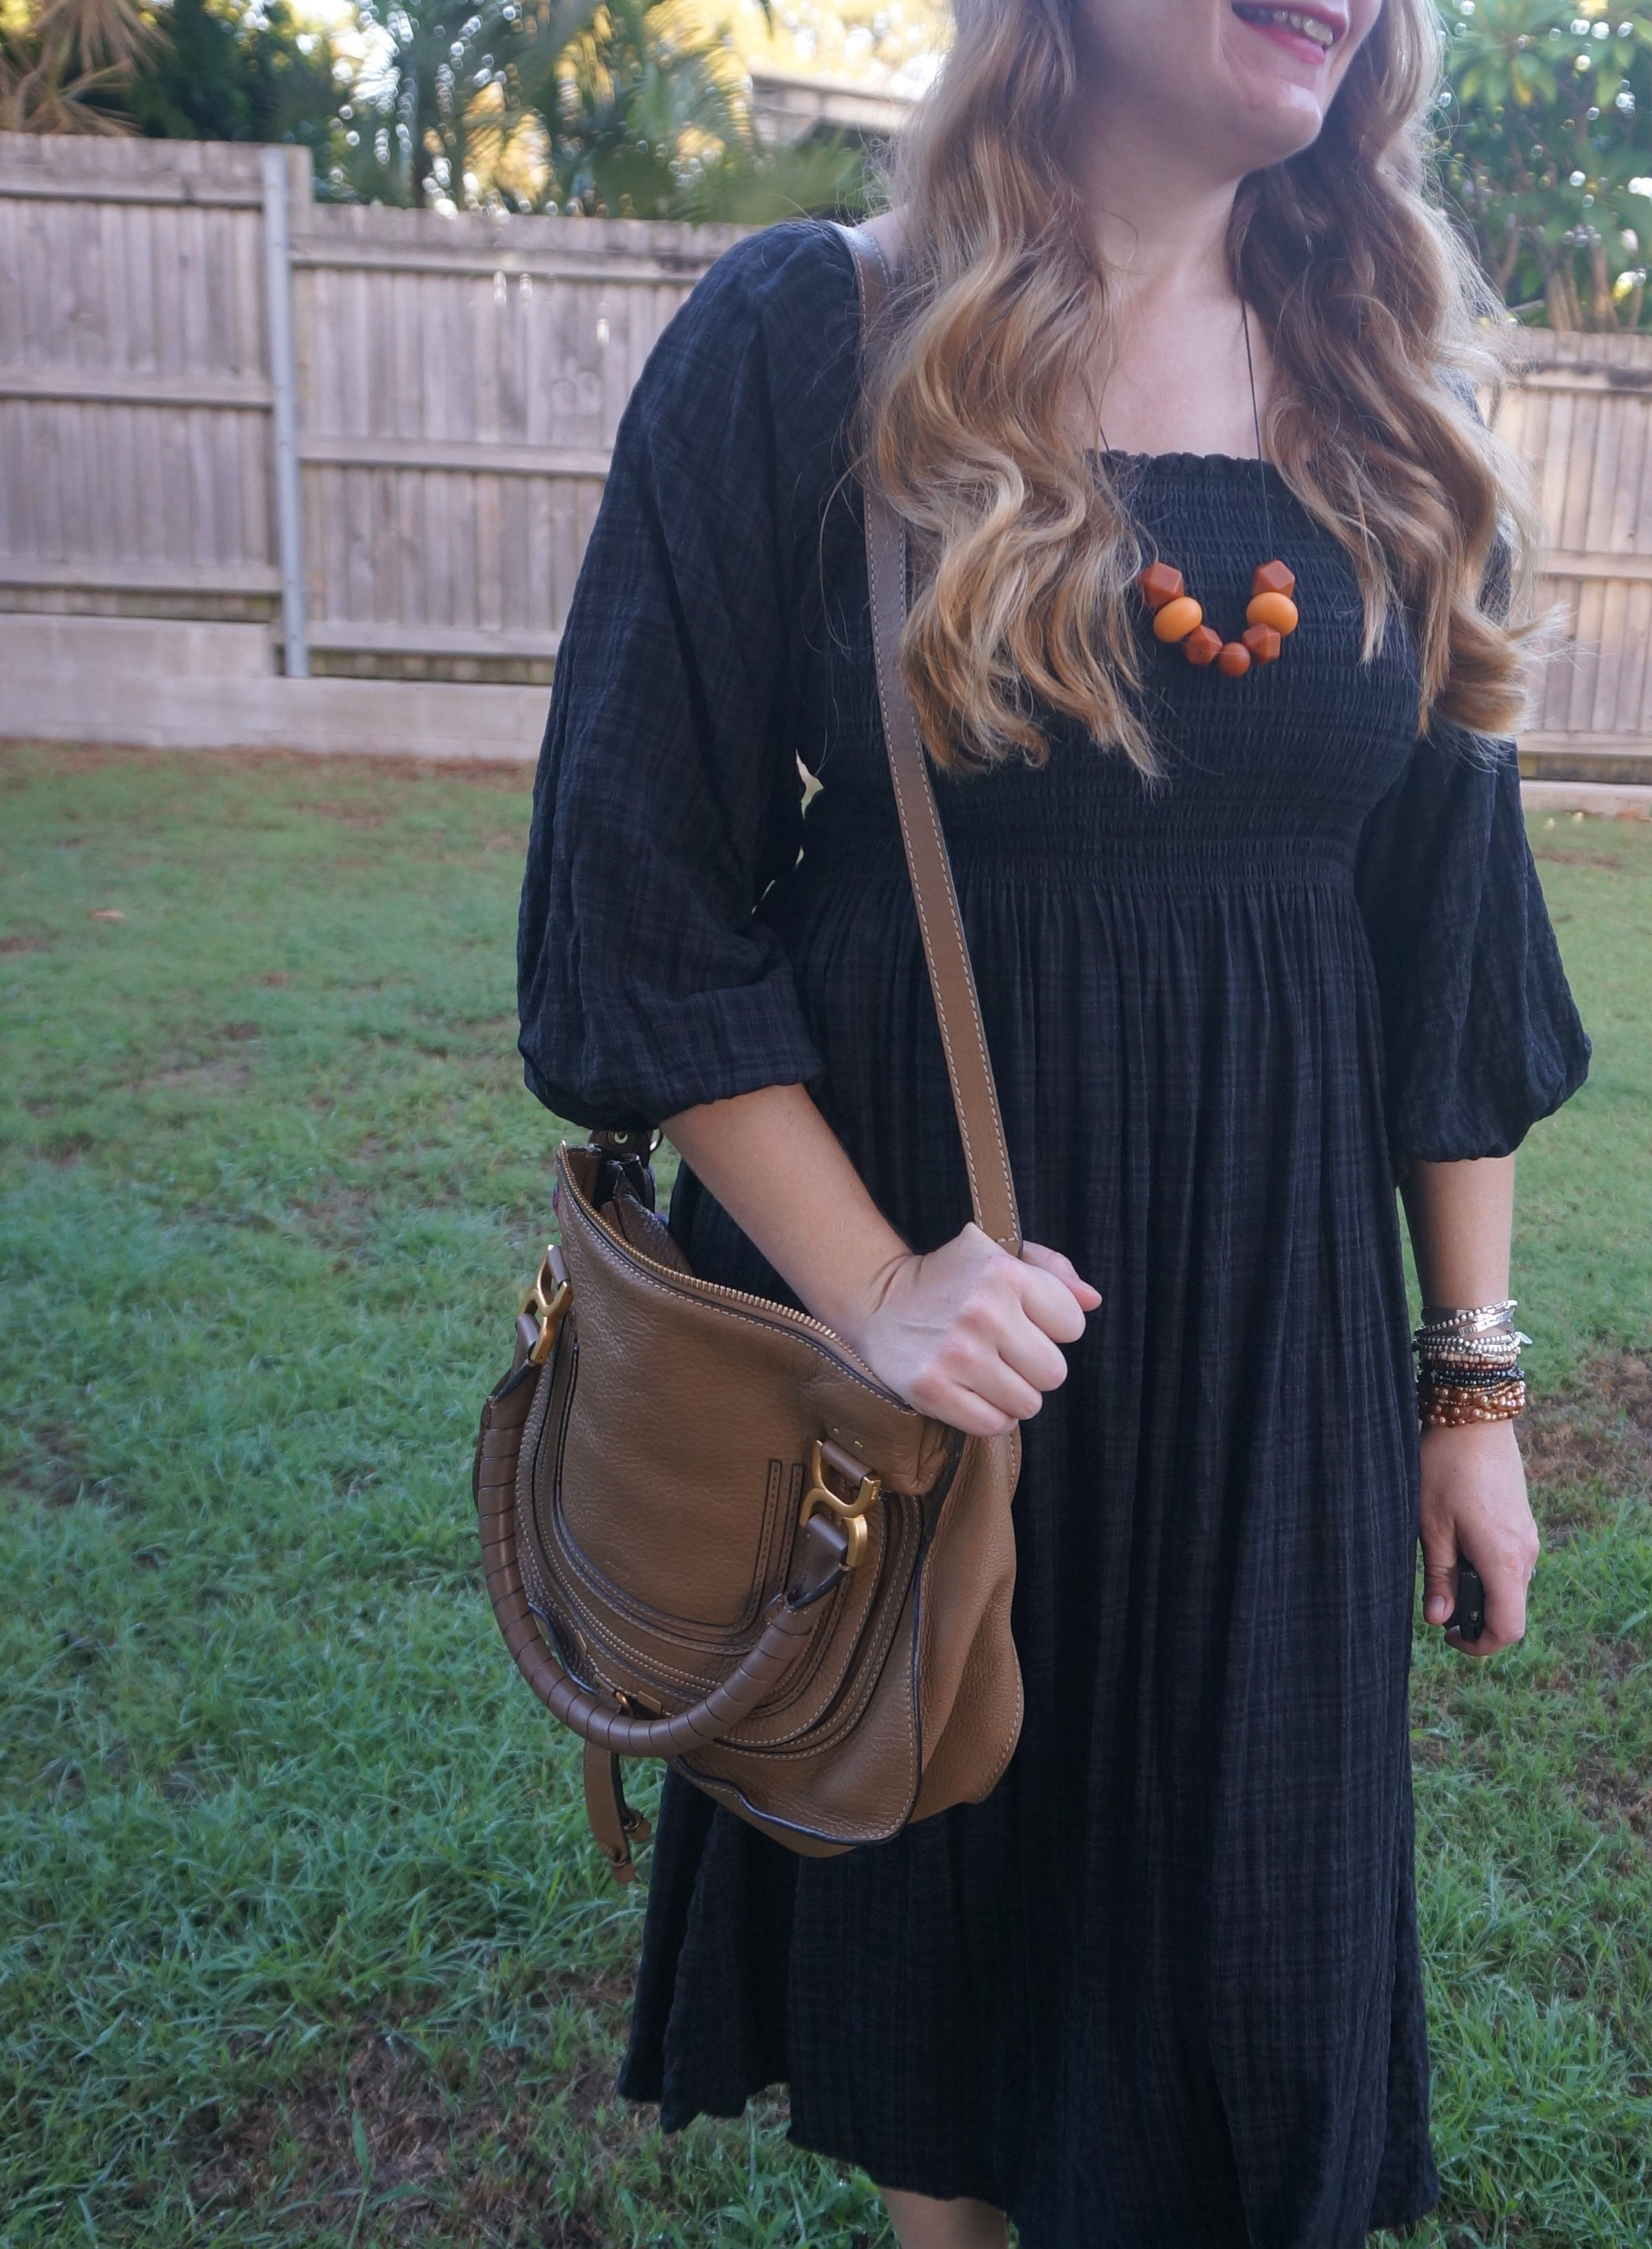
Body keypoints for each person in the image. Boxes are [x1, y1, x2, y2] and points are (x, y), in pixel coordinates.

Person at [516, 0, 1589, 2239]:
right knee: (951, 2002)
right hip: (922, 1343)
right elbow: (636, 878)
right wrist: (879, 1289)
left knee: (1251, 1984)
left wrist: (1468, 1383)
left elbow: (1448, 918)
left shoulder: (1393, 386)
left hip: (1272, 1355)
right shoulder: (816, 336)